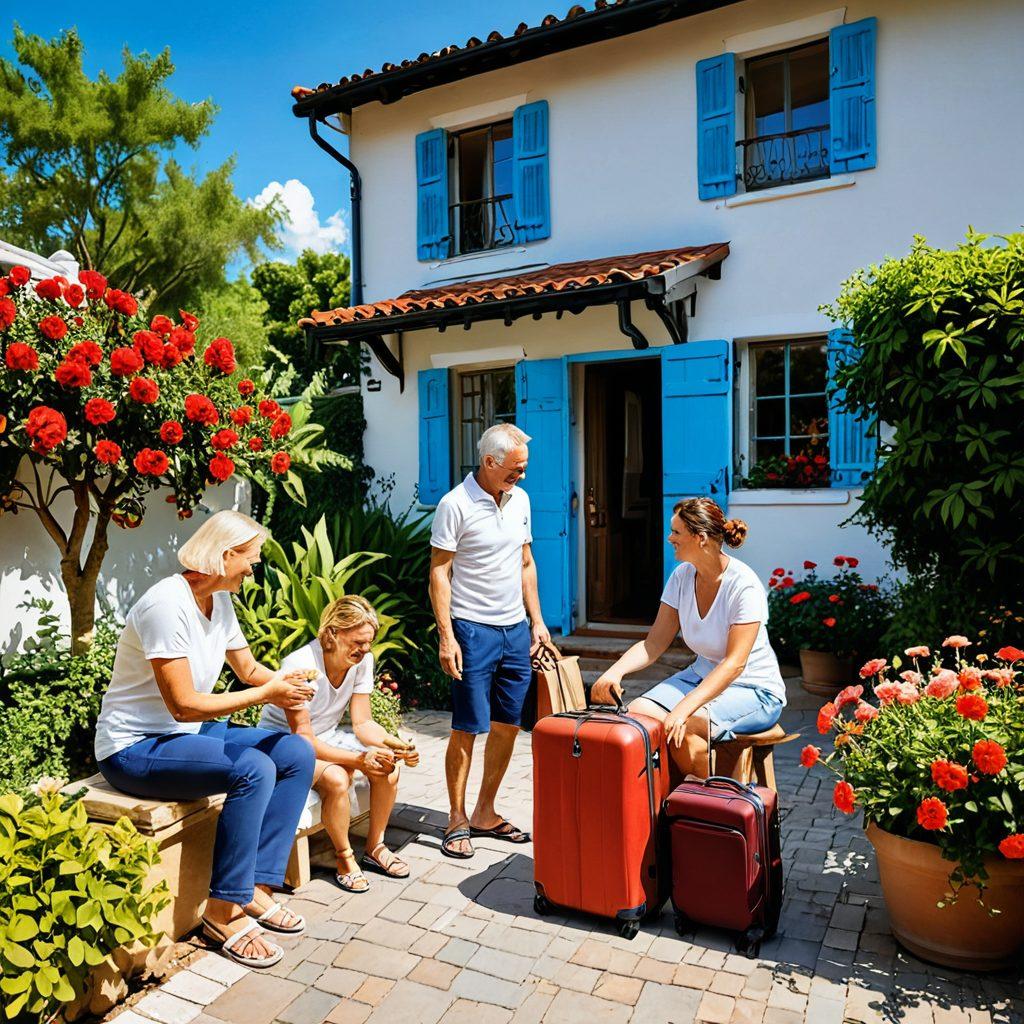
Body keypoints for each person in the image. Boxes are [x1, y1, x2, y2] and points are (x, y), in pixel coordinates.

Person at [94, 511, 317, 969]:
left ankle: (255, 886)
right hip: (134, 748)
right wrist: (268, 694)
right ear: (225, 555)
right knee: (254, 769)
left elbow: (248, 670)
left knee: (295, 752)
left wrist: (286, 682)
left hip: (184, 736)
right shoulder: (166, 605)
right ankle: (222, 912)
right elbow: (183, 705)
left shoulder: (220, 601)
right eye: (251, 558)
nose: (255, 568)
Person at [591, 497, 785, 777]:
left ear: (700, 538)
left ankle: (720, 798)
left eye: (676, 532)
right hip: (701, 677)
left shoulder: (744, 586)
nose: (670, 538)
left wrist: (683, 708)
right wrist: (614, 673)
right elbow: (653, 643)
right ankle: (677, 796)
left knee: (686, 723)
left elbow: (734, 664)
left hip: (754, 690)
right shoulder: (681, 577)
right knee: (638, 714)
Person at [429, 422, 550, 859]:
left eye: (524, 467)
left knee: (508, 725)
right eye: (516, 468)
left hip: (515, 630)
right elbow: (439, 573)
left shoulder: (521, 500)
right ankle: (456, 817)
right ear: (489, 462)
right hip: (472, 630)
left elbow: (526, 563)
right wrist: (447, 637)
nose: (522, 475)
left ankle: (484, 811)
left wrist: (537, 622)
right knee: (467, 727)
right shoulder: (455, 504)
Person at [260, 595, 420, 892]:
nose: (365, 649)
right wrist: (358, 760)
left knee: (388, 766)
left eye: (369, 642)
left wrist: (394, 744)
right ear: (332, 634)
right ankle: (344, 857)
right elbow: (303, 739)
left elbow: (363, 722)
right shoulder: (301, 666)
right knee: (336, 778)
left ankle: (375, 847)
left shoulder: (362, 661)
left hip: (325, 735)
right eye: (358, 642)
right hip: (284, 744)